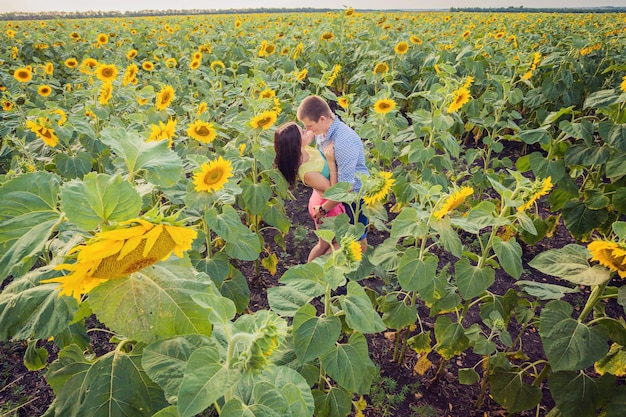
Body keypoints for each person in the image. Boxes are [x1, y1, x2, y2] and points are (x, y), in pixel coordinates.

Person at [296, 95, 369, 251]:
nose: (308, 131)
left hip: (353, 198)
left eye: (309, 126)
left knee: (357, 244)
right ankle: (328, 272)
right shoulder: (323, 131)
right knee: (345, 244)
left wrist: (323, 209)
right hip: (333, 196)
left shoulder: (343, 142)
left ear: (322, 119)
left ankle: (330, 271)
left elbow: (347, 188)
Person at [274, 121, 346, 262]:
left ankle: (310, 270)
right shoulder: (307, 172)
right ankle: (320, 271)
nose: (305, 131)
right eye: (301, 132)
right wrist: (331, 162)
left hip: (319, 199)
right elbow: (332, 190)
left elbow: (311, 132)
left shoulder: (303, 150)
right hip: (327, 206)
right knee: (338, 241)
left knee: (324, 243)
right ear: (296, 143)